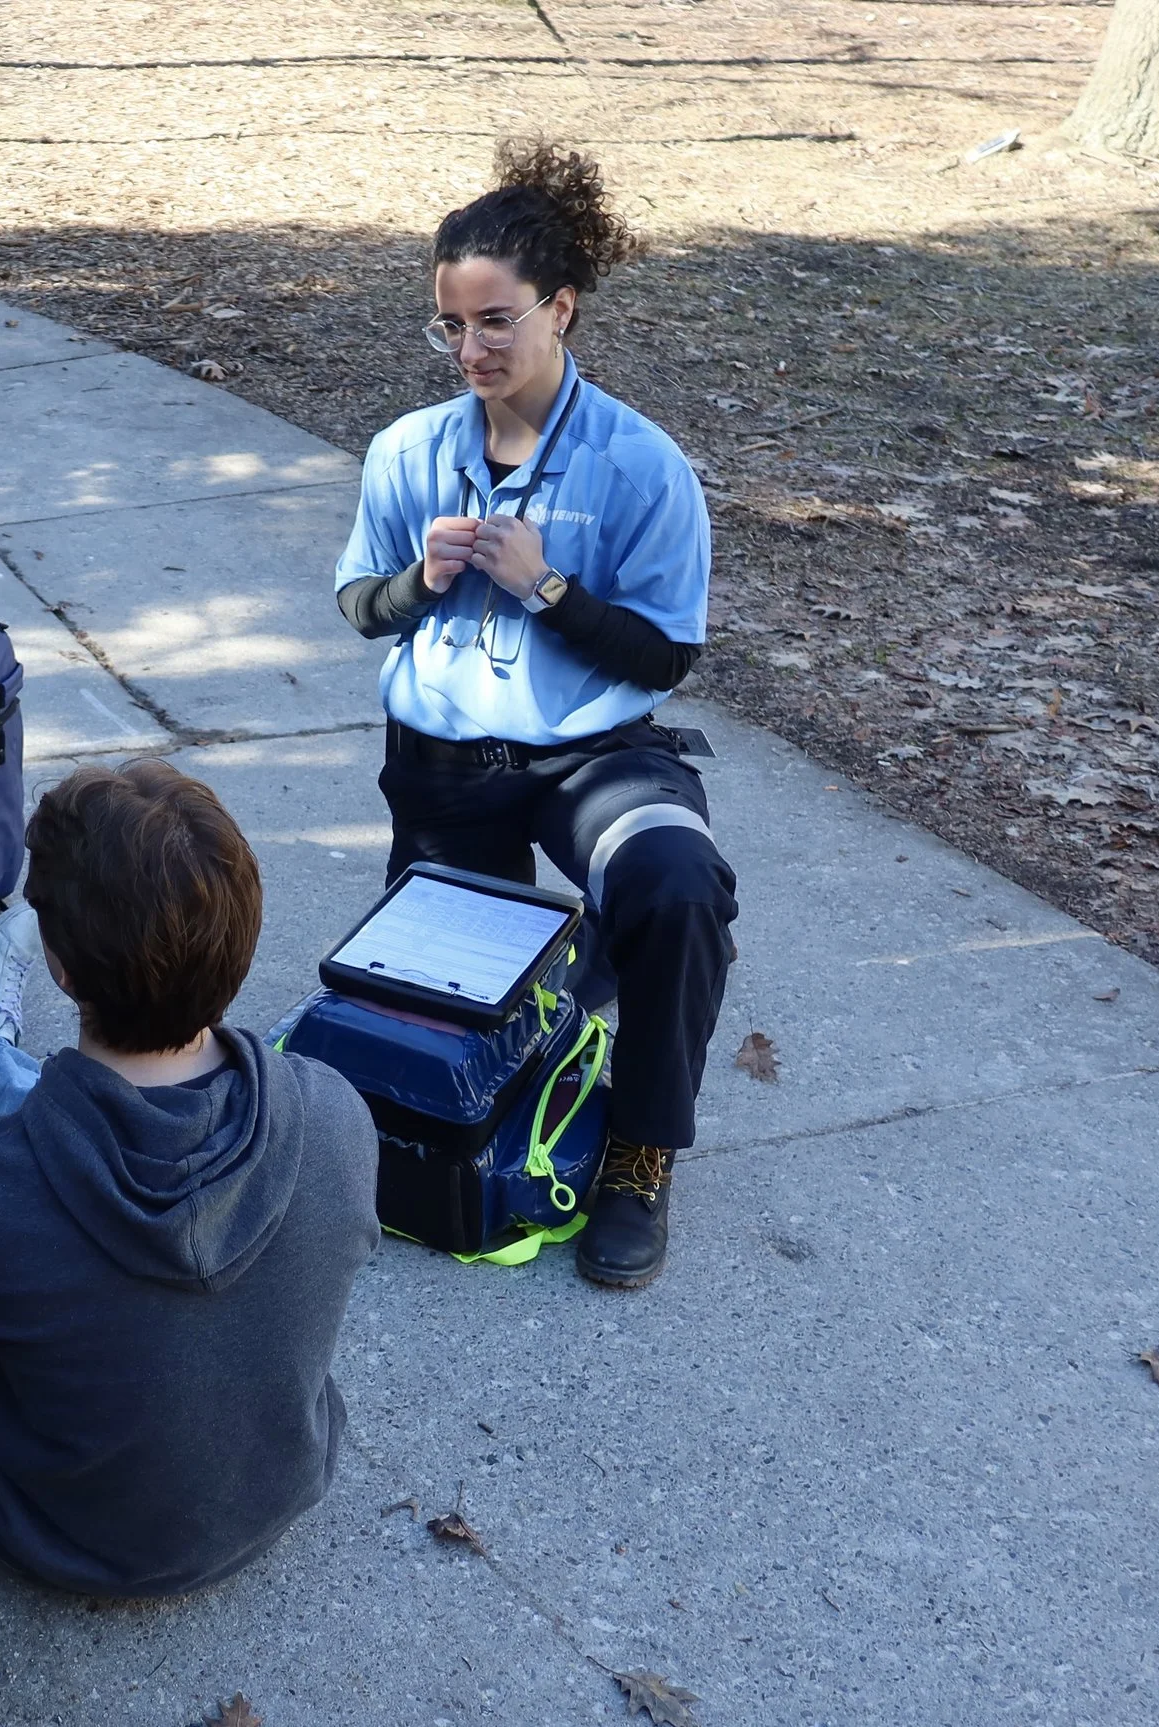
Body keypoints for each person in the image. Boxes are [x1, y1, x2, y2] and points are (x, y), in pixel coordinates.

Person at [0, 761, 380, 1597]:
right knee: (102, 1123)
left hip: (50, 1529)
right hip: (270, 1494)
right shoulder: (334, 1112)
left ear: (60, 967)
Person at [332, 140, 739, 1291]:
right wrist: (419, 581)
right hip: (443, 768)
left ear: (561, 307)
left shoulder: (640, 467)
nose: (471, 350)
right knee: (442, 1024)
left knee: (674, 884)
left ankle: (642, 1148)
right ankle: (570, 965)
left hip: (590, 756)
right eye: (449, 326)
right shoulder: (408, 451)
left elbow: (669, 652)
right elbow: (363, 607)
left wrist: (546, 588)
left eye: (497, 322)